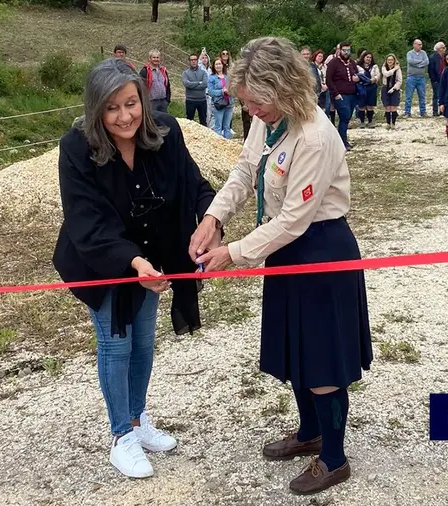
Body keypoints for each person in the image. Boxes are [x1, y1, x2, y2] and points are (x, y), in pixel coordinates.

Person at [189, 36, 372, 496]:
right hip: (285, 247)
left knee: (324, 358)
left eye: (257, 102)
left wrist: (232, 253)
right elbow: (244, 170)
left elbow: (295, 218)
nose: (252, 111)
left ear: (285, 88)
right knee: (297, 349)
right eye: (246, 103)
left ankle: (333, 457)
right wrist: (214, 217)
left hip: (320, 250)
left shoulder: (314, 136)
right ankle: (309, 431)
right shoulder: (268, 120)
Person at [52, 57, 218, 479]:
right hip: (102, 258)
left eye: (131, 103)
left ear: (143, 99)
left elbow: (193, 184)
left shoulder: (167, 132)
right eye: (111, 108)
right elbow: (86, 218)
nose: (124, 116)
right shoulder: (75, 148)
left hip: (152, 257)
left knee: (144, 342)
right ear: (96, 109)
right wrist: (134, 261)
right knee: (116, 343)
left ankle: (138, 421)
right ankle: (120, 436)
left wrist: (209, 221)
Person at [325, 41, 360, 150]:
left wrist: (357, 79)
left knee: (347, 117)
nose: (346, 52)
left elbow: (357, 74)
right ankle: (343, 142)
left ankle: (342, 140)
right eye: (344, 50)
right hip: (340, 95)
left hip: (352, 94)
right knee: (344, 116)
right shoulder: (333, 63)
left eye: (348, 50)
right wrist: (336, 94)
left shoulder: (352, 62)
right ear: (339, 50)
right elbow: (328, 80)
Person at [208, 59, 235, 139]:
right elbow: (211, 92)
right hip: (218, 104)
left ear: (222, 65)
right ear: (213, 66)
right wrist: (222, 91)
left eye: (219, 64)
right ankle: (218, 145)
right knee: (218, 126)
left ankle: (227, 144)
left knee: (227, 126)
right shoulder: (211, 78)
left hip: (229, 103)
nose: (218, 66)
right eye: (216, 64)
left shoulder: (228, 76)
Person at [405, 39, 429, 117]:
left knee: (422, 96)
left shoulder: (424, 53)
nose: (420, 46)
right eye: (419, 44)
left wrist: (417, 64)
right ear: (414, 45)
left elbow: (426, 61)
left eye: (421, 44)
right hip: (411, 77)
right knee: (409, 96)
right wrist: (420, 63)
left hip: (421, 77)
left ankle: (423, 112)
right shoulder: (409, 53)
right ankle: (407, 112)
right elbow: (410, 61)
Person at [182, 54, 209, 126]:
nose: (193, 61)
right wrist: (199, 82)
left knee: (203, 121)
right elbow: (187, 84)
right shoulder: (185, 73)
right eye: (191, 60)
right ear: (189, 61)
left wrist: (192, 85)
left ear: (197, 61)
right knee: (189, 121)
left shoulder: (203, 72)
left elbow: (205, 84)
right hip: (190, 100)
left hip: (202, 100)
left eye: (195, 60)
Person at [381, 54, 403, 128]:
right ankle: (388, 123)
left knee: (393, 107)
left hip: (394, 88)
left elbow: (399, 81)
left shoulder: (398, 69)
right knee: (387, 107)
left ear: (394, 61)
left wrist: (394, 88)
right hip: (385, 88)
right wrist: (394, 69)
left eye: (391, 60)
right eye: (388, 60)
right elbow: (386, 74)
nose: (390, 61)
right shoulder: (384, 67)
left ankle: (393, 123)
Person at [429, 41, 447, 116]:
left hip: (444, 78)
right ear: (439, 49)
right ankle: (435, 111)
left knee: (443, 95)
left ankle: (442, 110)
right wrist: (434, 80)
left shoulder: (444, 57)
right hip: (436, 79)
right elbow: (431, 70)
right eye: (443, 47)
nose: (444, 49)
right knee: (436, 95)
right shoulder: (433, 57)